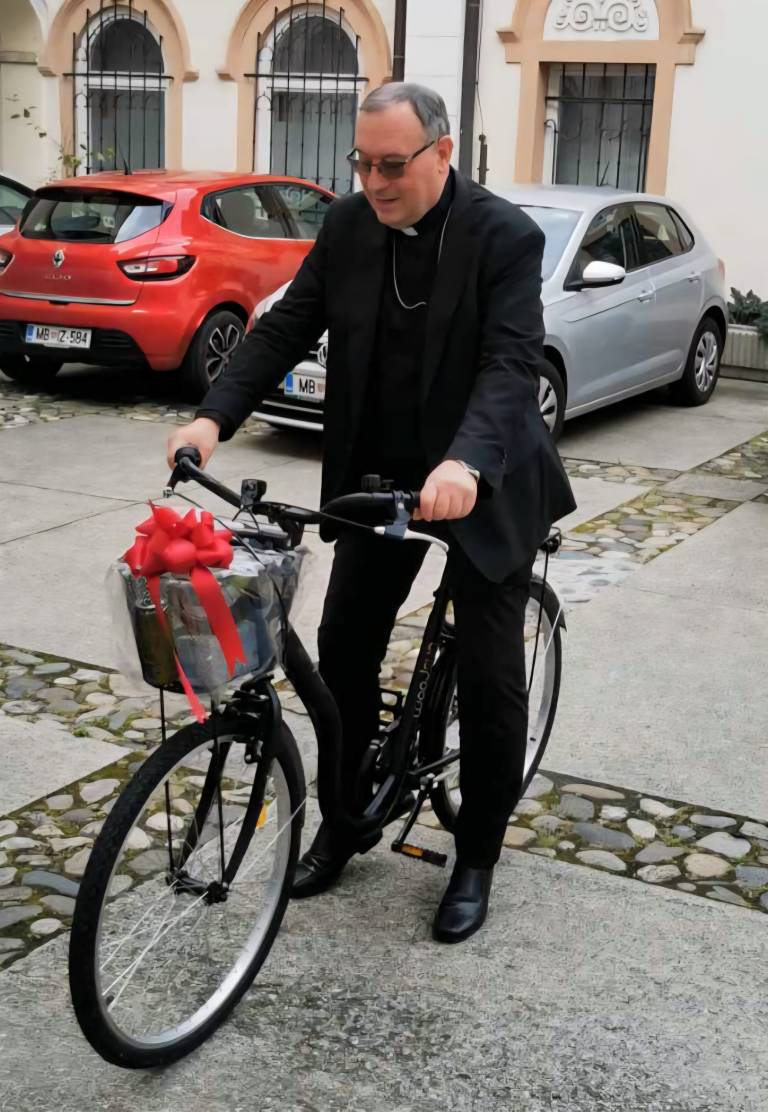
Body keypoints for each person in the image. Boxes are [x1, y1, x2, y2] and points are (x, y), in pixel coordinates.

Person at [167, 82, 576, 944]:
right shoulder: (349, 226)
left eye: (393, 165)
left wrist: (466, 460)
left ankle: (476, 855)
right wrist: (213, 418)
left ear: (442, 152)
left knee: (490, 677)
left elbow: (512, 364)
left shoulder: (504, 237)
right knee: (344, 646)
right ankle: (347, 818)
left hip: (482, 476)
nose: (375, 182)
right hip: (382, 477)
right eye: (363, 163)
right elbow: (285, 328)